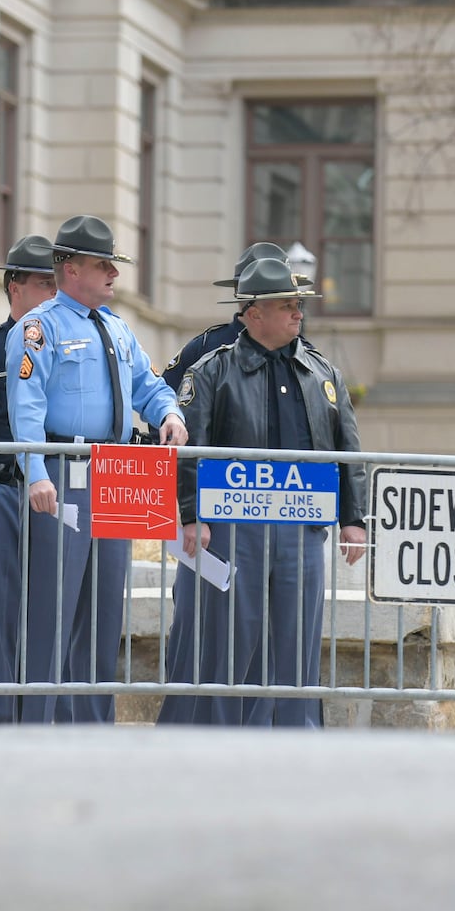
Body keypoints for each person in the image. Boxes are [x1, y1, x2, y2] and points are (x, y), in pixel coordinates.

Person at [5, 214, 187, 723]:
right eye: (101, 264)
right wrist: (35, 471)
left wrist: (169, 414)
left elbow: (149, 386)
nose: (113, 274)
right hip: (65, 470)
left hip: (118, 471)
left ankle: (90, 726)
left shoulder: (117, 329)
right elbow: (27, 408)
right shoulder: (39, 329)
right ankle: (38, 726)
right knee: (54, 609)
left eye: (113, 264)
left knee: (106, 609)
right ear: (69, 269)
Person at [174, 257, 368, 728]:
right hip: (234, 528)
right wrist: (191, 513)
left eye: (299, 304)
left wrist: (354, 519)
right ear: (254, 312)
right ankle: (221, 740)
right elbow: (188, 449)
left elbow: (348, 450)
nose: (298, 312)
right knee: (229, 644)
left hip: (301, 531)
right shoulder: (211, 371)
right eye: (288, 305)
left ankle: (295, 742)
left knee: (296, 645)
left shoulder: (323, 374)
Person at [158, 242, 309, 725]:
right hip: (222, 521)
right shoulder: (207, 354)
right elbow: (174, 427)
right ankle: (196, 729)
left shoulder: (307, 361)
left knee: (281, 640)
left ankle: (269, 731)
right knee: (208, 632)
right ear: (249, 304)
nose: (294, 309)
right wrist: (186, 511)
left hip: (287, 518)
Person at [0, 235, 57, 724]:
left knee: (54, 607)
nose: (54, 292)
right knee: (1, 609)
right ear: (14, 286)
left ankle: (45, 716)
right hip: (1, 488)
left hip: (57, 490)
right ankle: (3, 715)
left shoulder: (66, 341)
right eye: (45, 283)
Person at [159, 242, 311, 393]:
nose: (298, 314)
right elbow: (163, 402)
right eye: (285, 303)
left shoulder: (305, 354)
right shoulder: (205, 347)